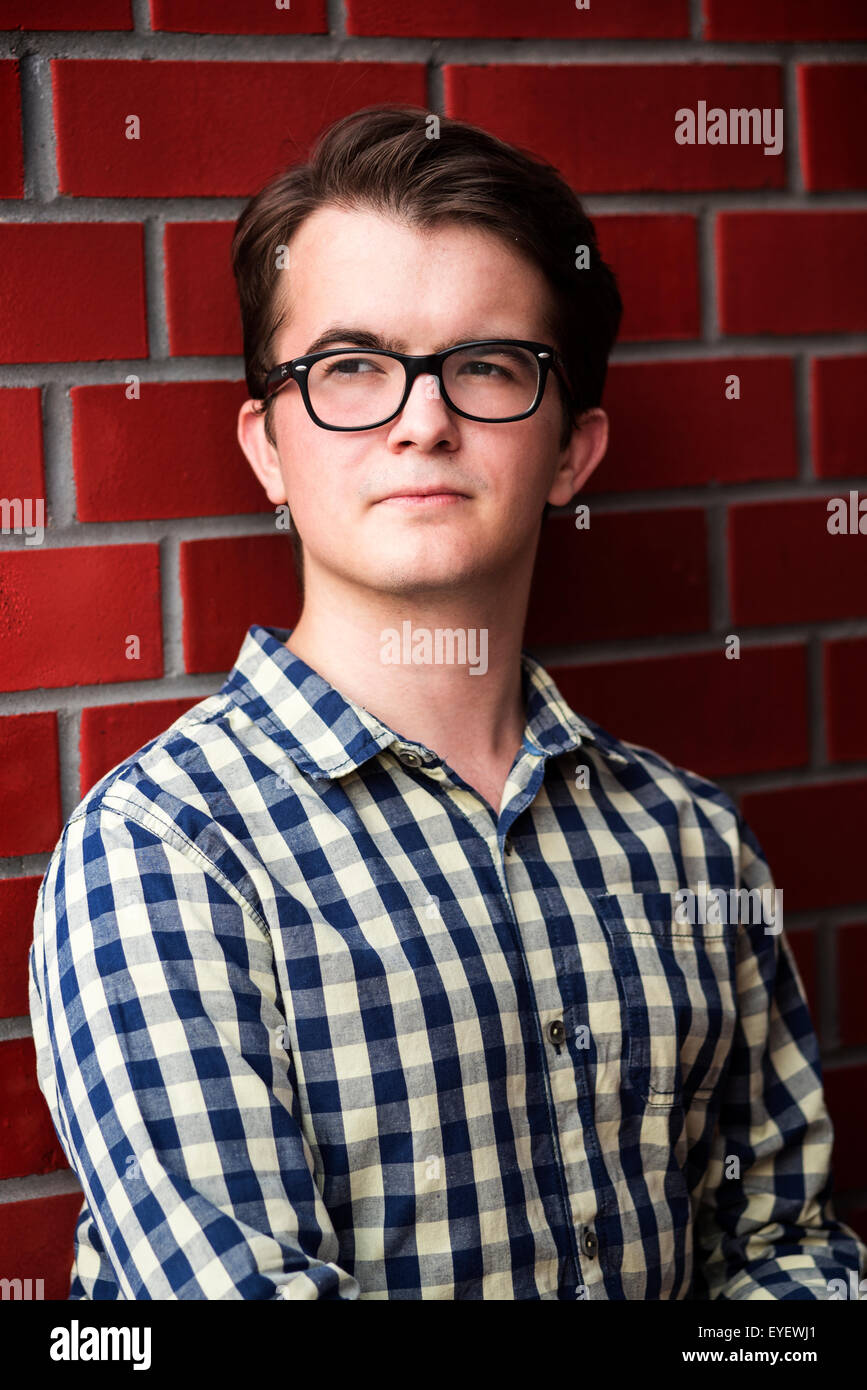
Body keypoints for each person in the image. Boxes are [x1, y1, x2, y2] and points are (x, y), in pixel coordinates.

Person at [29, 104, 866, 1300]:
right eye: (352, 368)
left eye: (485, 366)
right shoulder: (166, 851)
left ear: (573, 449)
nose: (423, 420)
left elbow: (792, 1254)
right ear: (268, 445)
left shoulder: (690, 838)